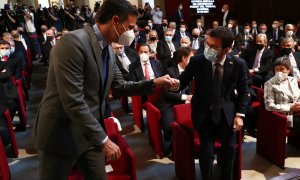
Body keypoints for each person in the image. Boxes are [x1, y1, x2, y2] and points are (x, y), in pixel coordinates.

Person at [33, 1, 176, 179]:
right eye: (130, 27)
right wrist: (103, 139)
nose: (132, 32)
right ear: (115, 21)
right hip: (61, 132)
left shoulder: (108, 48)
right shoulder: (73, 43)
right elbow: (73, 101)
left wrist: (154, 83)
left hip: (89, 132)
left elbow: (119, 86)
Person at [172, 27, 248, 180]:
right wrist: (172, 83)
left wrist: (240, 115)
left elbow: (243, 91)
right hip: (204, 115)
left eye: (214, 47)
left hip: (227, 115)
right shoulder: (197, 60)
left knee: (229, 152)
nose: (208, 49)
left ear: (227, 49)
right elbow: (182, 81)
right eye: (207, 44)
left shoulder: (238, 64)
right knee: (206, 155)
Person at [156, 46, 194, 155]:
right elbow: (167, 93)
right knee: (169, 126)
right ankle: (171, 149)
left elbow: (189, 90)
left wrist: (189, 98)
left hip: (184, 103)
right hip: (169, 104)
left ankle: (186, 147)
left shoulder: (190, 72)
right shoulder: (170, 71)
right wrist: (185, 98)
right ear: (184, 58)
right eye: (192, 58)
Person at [264, 57, 300, 130]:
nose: (279, 72)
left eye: (282, 69)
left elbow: (298, 96)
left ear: (288, 70)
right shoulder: (269, 84)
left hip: (297, 112)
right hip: (283, 116)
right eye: (276, 70)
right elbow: (269, 106)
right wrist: (290, 107)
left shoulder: (293, 80)